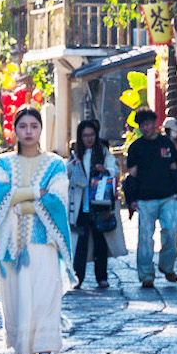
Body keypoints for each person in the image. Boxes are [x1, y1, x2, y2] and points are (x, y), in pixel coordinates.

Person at [0, 107, 73, 354]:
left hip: (43, 246)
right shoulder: (3, 163)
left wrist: (18, 202)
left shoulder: (56, 164)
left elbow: (57, 199)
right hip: (11, 249)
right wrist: (36, 195)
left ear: (41, 129)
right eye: (23, 126)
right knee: (16, 305)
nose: (29, 131)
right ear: (15, 130)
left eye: (34, 126)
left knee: (45, 300)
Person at [124, 109, 177, 288]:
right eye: (142, 125)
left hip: (168, 197)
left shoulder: (166, 143)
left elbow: (175, 168)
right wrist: (131, 200)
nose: (146, 128)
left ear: (155, 123)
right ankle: (146, 275)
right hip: (145, 200)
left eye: (148, 123)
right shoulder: (135, 148)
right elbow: (132, 176)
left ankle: (167, 266)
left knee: (172, 231)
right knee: (145, 238)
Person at [67, 119, 126, 288]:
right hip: (81, 205)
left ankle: (102, 277)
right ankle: (78, 277)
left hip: (99, 204)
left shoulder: (103, 152)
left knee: (101, 241)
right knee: (80, 243)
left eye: (91, 135)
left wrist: (105, 170)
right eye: (85, 135)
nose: (88, 138)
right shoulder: (75, 154)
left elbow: (114, 170)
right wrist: (73, 165)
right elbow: (66, 172)